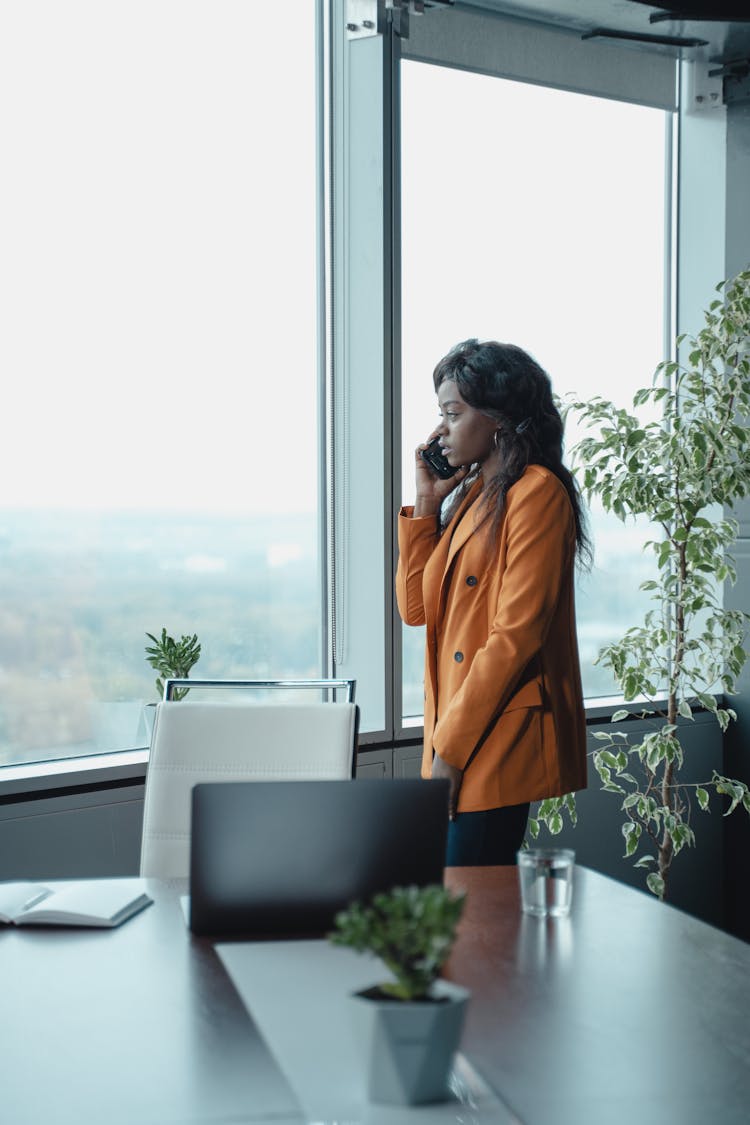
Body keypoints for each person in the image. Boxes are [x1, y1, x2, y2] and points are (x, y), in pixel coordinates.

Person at [396, 339, 590, 866]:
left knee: (470, 915)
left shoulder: (537, 493)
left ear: (499, 418)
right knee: (465, 917)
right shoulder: (476, 497)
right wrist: (428, 506)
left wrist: (450, 752)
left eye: (453, 414)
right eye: (441, 415)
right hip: (456, 733)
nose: (440, 431)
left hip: (491, 735)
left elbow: (516, 636)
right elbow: (416, 609)